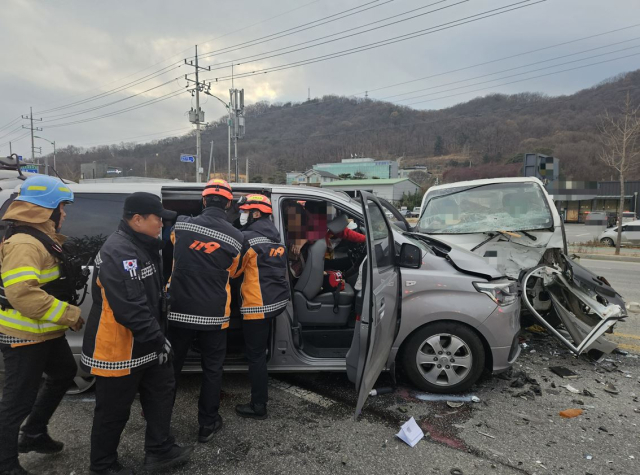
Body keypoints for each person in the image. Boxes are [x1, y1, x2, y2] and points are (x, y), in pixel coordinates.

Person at [81, 192, 192, 475]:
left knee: (162, 392)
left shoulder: (142, 245)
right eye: (159, 219)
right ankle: (102, 466)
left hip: (146, 343)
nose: (163, 225)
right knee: (113, 412)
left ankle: (160, 450)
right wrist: (159, 340)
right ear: (138, 219)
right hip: (120, 348)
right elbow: (130, 308)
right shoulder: (120, 251)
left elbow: (149, 295)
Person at [0, 176, 84, 475]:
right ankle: (6, 464)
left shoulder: (38, 237)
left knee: (64, 373)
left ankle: (34, 432)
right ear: (45, 208)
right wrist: (70, 314)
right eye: (62, 207)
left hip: (45, 331)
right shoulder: (23, 243)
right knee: (16, 403)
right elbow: (23, 294)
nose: (64, 213)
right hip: (24, 335)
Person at [167, 179, 244, 443]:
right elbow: (233, 272)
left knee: (171, 369)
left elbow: (175, 248)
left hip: (178, 309)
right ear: (229, 203)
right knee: (212, 369)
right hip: (214, 314)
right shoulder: (237, 237)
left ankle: (160, 422)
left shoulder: (182, 224)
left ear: (203, 201)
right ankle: (207, 425)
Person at [232, 194, 289, 419]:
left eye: (244, 211)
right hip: (275, 301)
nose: (241, 215)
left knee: (255, 356)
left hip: (255, 305)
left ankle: (259, 406)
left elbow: (233, 271)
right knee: (259, 350)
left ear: (256, 214)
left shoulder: (247, 239)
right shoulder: (276, 237)